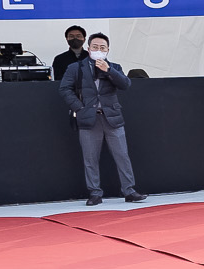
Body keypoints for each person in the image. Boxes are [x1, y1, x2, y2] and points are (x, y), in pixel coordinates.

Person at [58, 32, 142, 206]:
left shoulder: (115, 67)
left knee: (122, 155)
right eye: (95, 47)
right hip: (88, 119)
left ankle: (129, 191)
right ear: (88, 48)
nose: (98, 50)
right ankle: (95, 193)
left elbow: (125, 84)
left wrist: (109, 70)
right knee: (90, 158)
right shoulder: (76, 68)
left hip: (112, 118)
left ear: (108, 50)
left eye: (102, 47)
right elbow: (65, 88)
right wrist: (79, 108)